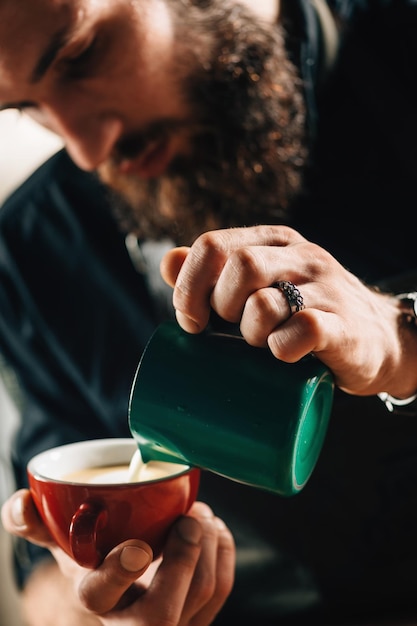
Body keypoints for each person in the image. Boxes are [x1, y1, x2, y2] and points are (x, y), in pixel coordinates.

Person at [2, 0, 417, 624]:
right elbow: (44, 581)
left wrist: (400, 339)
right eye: (22, 107)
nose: (87, 150)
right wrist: (93, 608)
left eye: (81, 54)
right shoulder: (33, 247)